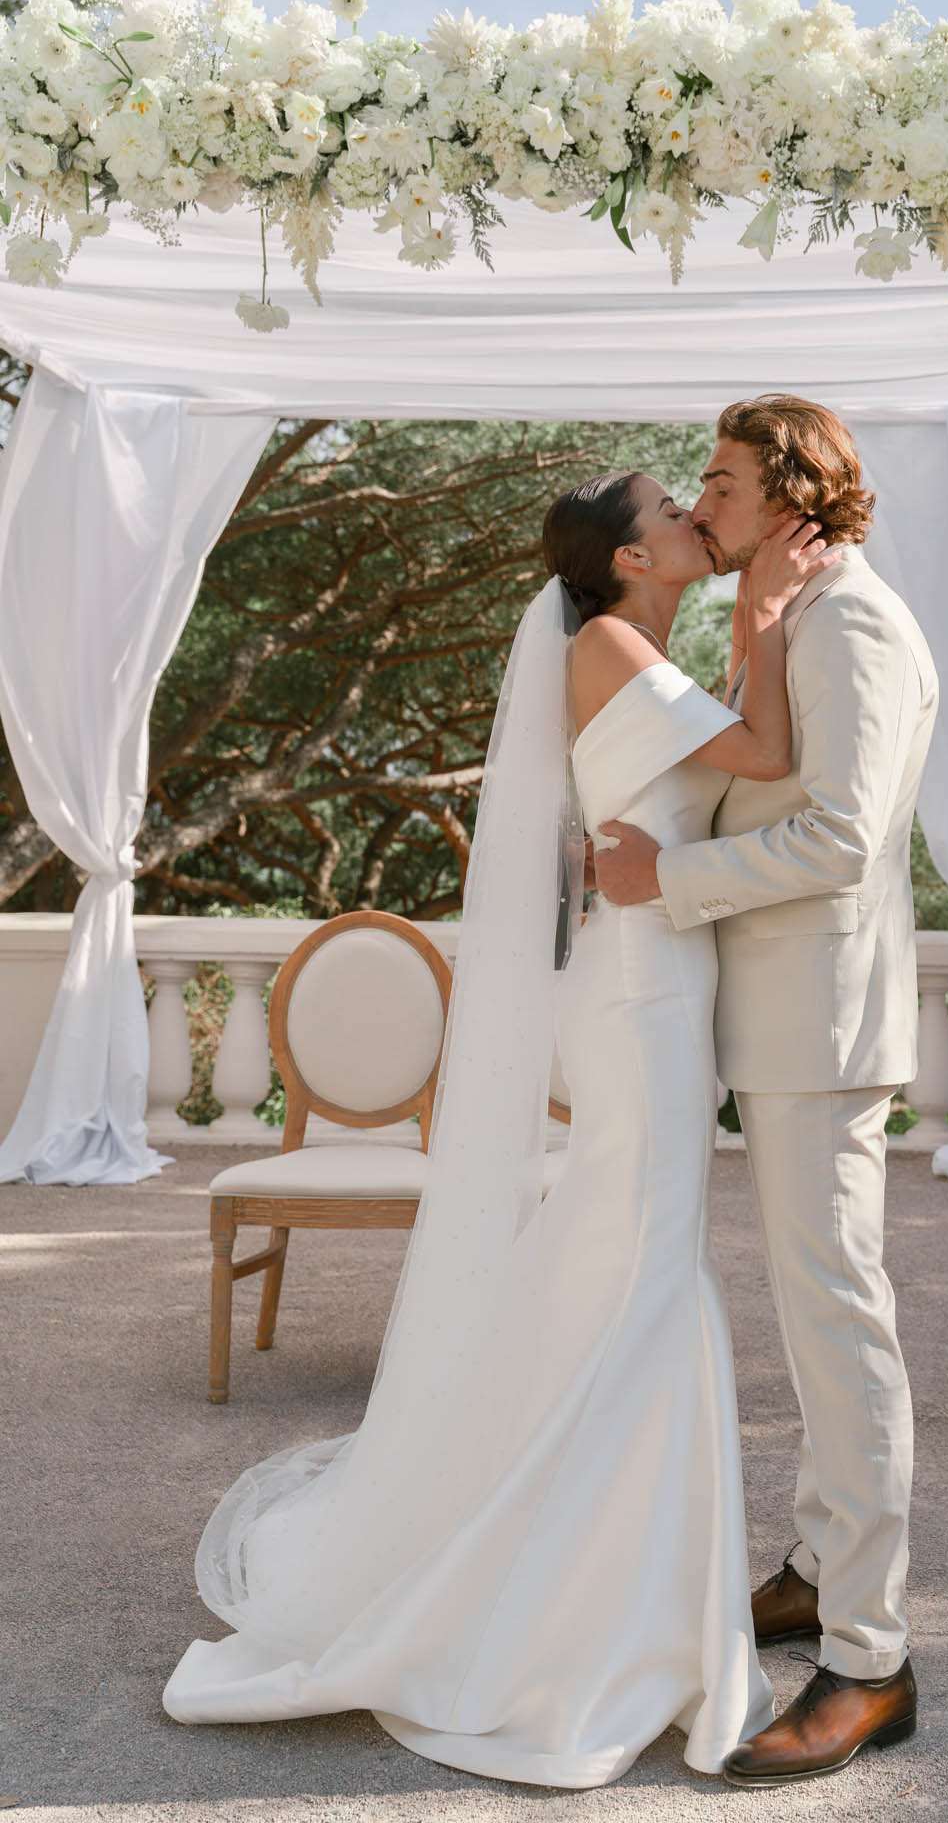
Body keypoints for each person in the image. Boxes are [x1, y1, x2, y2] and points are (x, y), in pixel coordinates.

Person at [161, 467, 835, 1788]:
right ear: (627, 558)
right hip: (640, 992)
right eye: (672, 510)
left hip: (659, 976)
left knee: (624, 1254)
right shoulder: (608, 644)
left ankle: (605, 1564)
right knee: (644, 1258)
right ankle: (599, 1602)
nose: (695, 518)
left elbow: (713, 777)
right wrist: (766, 616)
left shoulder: (636, 646)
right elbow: (765, 758)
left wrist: (750, 630)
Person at [594, 393, 938, 1788]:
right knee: (810, 1319)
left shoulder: (853, 625)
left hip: (824, 1031)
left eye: (723, 480)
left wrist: (662, 879)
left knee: (841, 1324)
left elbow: (840, 837)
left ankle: (870, 1657)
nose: (702, 501)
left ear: (793, 495)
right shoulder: (793, 618)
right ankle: (813, 1565)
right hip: (781, 1022)